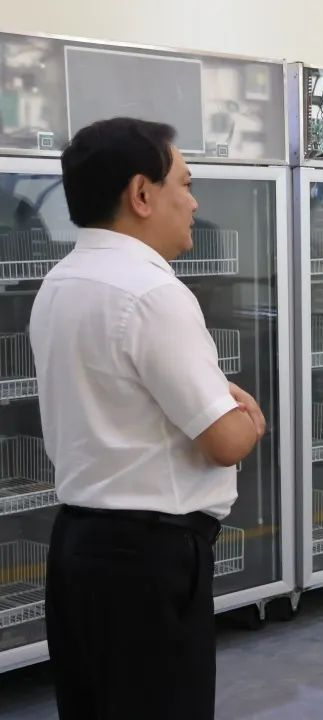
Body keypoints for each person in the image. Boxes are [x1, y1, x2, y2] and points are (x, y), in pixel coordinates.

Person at [28, 117, 266, 719]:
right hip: (148, 559)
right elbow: (225, 440)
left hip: (78, 545)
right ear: (141, 193)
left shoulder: (60, 281)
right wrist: (249, 416)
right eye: (184, 184)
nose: (194, 202)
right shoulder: (152, 294)